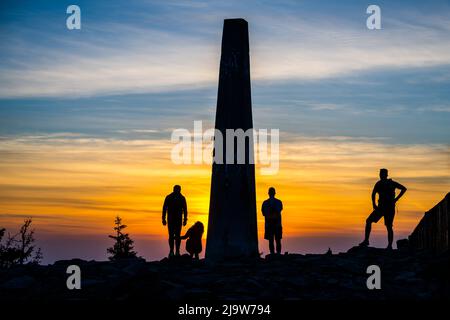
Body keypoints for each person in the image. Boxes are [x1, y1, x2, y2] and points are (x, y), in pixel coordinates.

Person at [359, 168, 407, 250]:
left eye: (382, 174)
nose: (380, 175)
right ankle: (366, 240)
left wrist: (396, 199)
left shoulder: (391, 183)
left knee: (389, 226)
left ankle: (389, 245)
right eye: (380, 174)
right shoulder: (379, 183)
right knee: (369, 221)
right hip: (381, 207)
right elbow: (373, 194)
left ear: (386, 175)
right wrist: (374, 204)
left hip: (389, 208)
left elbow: (404, 189)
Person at [162, 185, 187, 257]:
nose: (177, 191)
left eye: (178, 189)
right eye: (176, 189)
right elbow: (164, 208)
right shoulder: (169, 197)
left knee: (177, 236)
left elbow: (185, 209)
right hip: (171, 219)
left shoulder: (182, 198)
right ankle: (172, 251)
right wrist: (163, 218)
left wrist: (185, 219)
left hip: (177, 219)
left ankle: (177, 251)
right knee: (171, 236)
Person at [262, 187, 283, 255]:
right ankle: (276, 254)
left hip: (272, 224)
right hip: (274, 224)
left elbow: (264, 213)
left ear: (268, 193)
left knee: (274, 240)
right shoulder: (278, 202)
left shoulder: (265, 203)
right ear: (274, 193)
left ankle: (274, 254)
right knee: (275, 240)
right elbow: (278, 210)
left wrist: (269, 214)